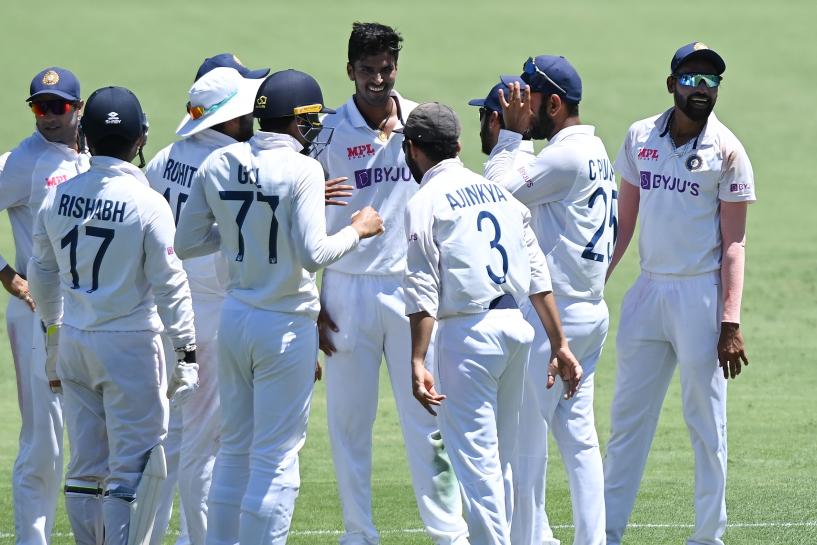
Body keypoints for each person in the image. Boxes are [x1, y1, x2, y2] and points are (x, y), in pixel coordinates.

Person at [174, 68, 385, 545]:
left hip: (235, 318)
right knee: (276, 457)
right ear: (299, 121)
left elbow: (187, 242)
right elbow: (314, 254)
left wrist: (235, 237)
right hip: (284, 324)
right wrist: (360, 229)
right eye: (311, 119)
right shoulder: (304, 169)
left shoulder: (219, 162)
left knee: (233, 451)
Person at [315, 22, 469, 545]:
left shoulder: (423, 125)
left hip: (411, 290)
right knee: (349, 425)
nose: (377, 80)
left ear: (395, 68)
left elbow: (453, 198)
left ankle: (448, 533)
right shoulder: (328, 134)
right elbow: (301, 222)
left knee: (428, 420)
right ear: (350, 71)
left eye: (386, 69)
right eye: (367, 70)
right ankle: (359, 533)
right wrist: (312, 300)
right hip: (346, 289)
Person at [401, 102, 582, 545]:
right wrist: (560, 343)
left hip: (467, 337)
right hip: (515, 329)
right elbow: (538, 276)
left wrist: (418, 357)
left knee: (477, 469)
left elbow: (422, 288)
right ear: (459, 146)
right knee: (498, 461)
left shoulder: (424, 201)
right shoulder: (498, 193)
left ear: (411, 150)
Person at [27, 85, 197, 545]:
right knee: (137, 465)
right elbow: (171, 285)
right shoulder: (147, 203)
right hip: (130, 344)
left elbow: (40, 276)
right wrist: (186, 353)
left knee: (85, 466)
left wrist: (53, 336)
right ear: (141, 138)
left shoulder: (57, 198)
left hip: (77, 341)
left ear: (83, 135)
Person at [602, 42, 755, 545]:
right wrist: (592, 284)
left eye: (710, 82)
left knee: (707, 426)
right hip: (648, 292)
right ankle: (605, 531)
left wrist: (729, 323)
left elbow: (734, 244)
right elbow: (623, 224)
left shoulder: (728, 150)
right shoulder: (639, 136)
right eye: (691, 79)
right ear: (671, 84)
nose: (700, 90)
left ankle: (708, 536)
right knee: (627, 421)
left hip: (699, 297)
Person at [483, 55, 616, 545]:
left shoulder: (563, 157)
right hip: (590, 311)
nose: (521, 105)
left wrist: (511, 137)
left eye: (529, 98)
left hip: (552, 318)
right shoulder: (595, 149)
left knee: (525, 438)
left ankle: (532, 540)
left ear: (554, 104)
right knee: (580, 438)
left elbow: (495, 195)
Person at [144, 65, 263, 545]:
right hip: (211, 316)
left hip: (166, 310)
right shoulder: (232, 164)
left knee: (170, 437)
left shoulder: (166, 157)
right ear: (229, 117)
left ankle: (150, 536)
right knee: (204, 445)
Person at [0, 66, 89, 545]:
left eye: (58, 106)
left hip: (94, 312)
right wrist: (8, 277)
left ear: (77, 108)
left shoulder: (97, 146)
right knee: (44, 442)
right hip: (37, 314)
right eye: (39, 106)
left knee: (97, 434)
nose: (48, 116)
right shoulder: (22, 161)